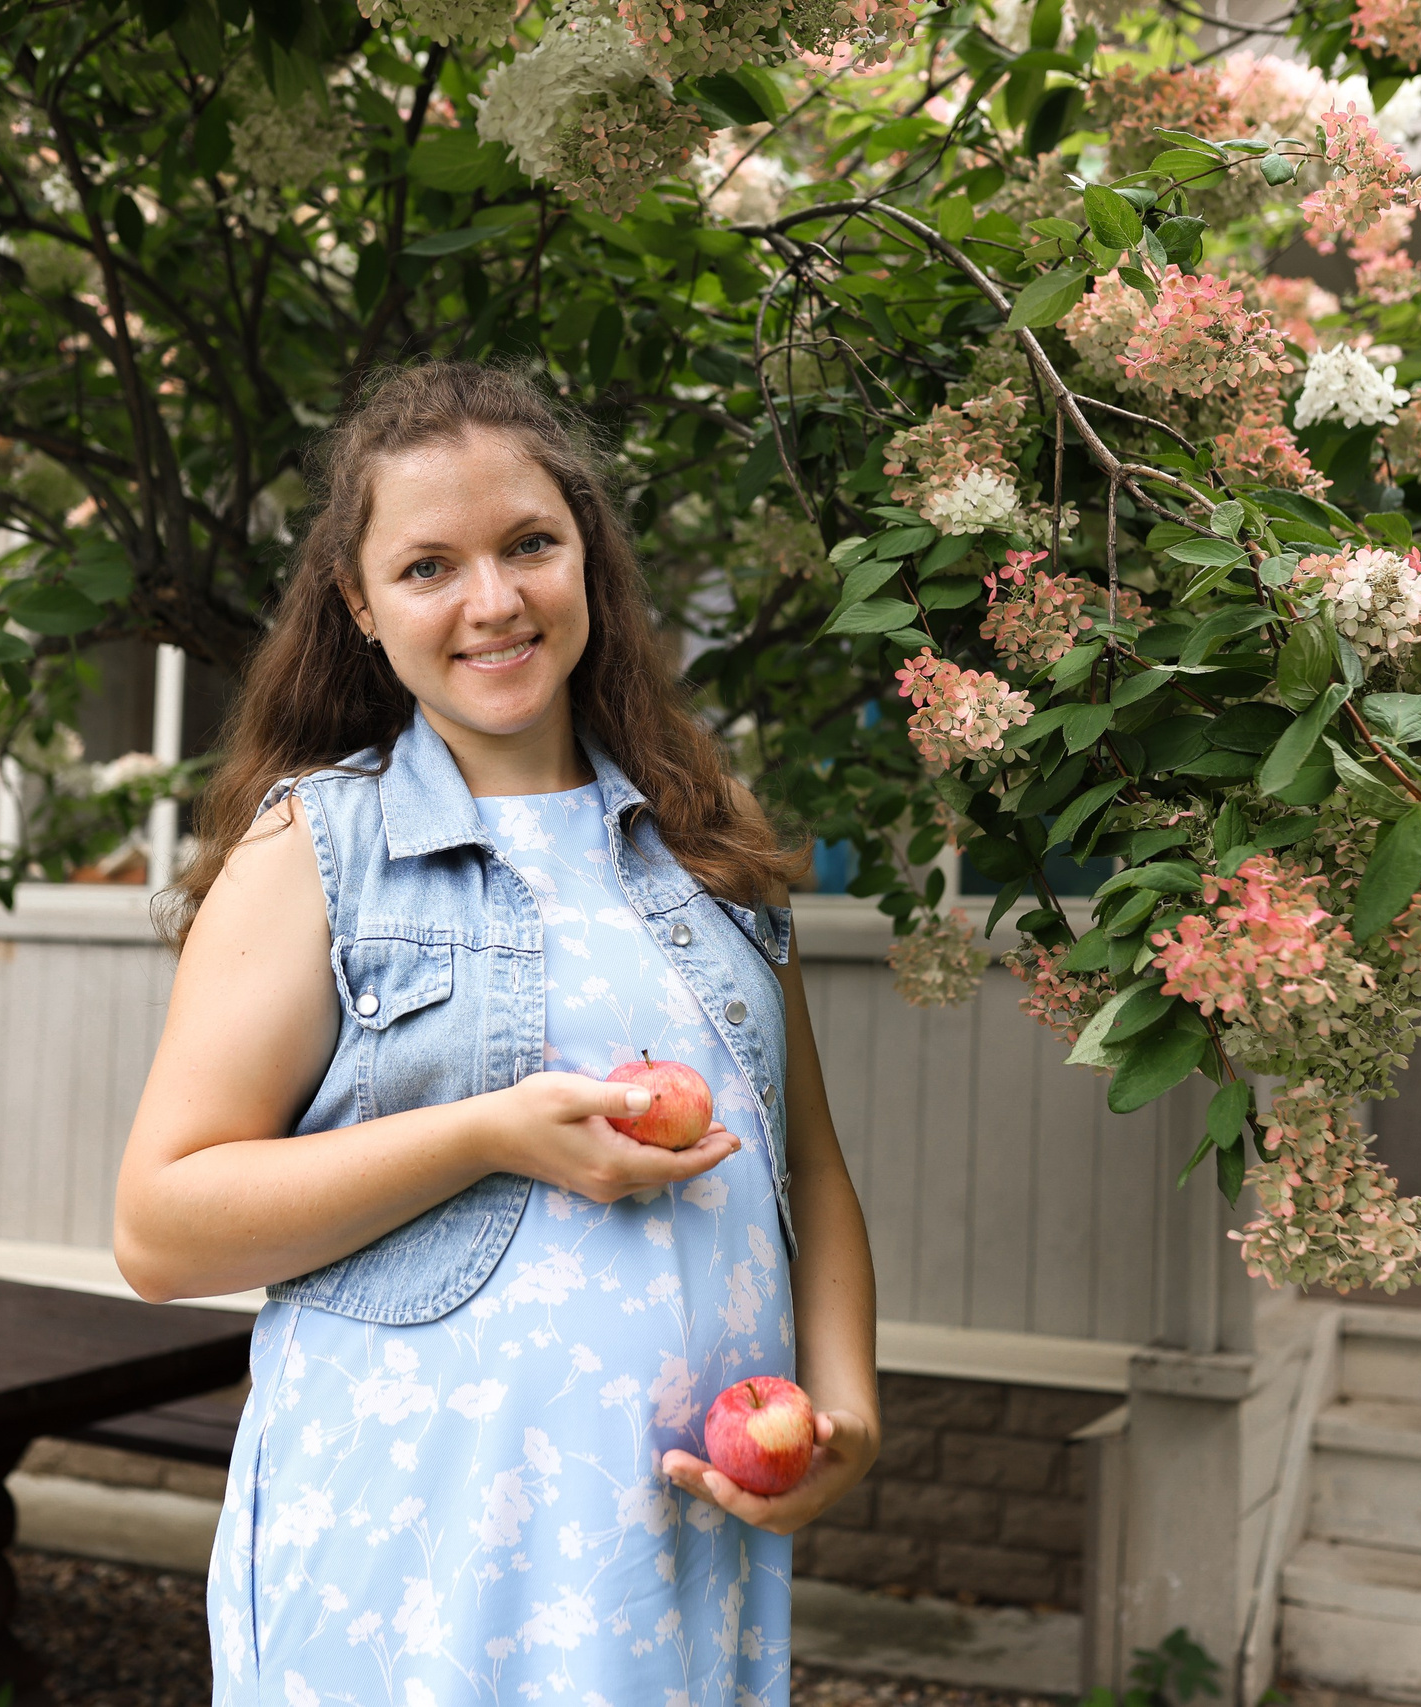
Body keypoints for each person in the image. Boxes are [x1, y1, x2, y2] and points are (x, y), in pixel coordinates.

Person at [114, 362, 881, 1705]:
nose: (493, 601)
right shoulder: (321, 848)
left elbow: (806, 1169)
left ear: (588, 554)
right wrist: (488, 1136)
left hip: (667, 1549)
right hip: (419, 1552)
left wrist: (846, 1409)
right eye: (427, 567)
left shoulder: (708, 846)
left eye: (530, 543)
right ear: (359, 605)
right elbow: (162, 1228)